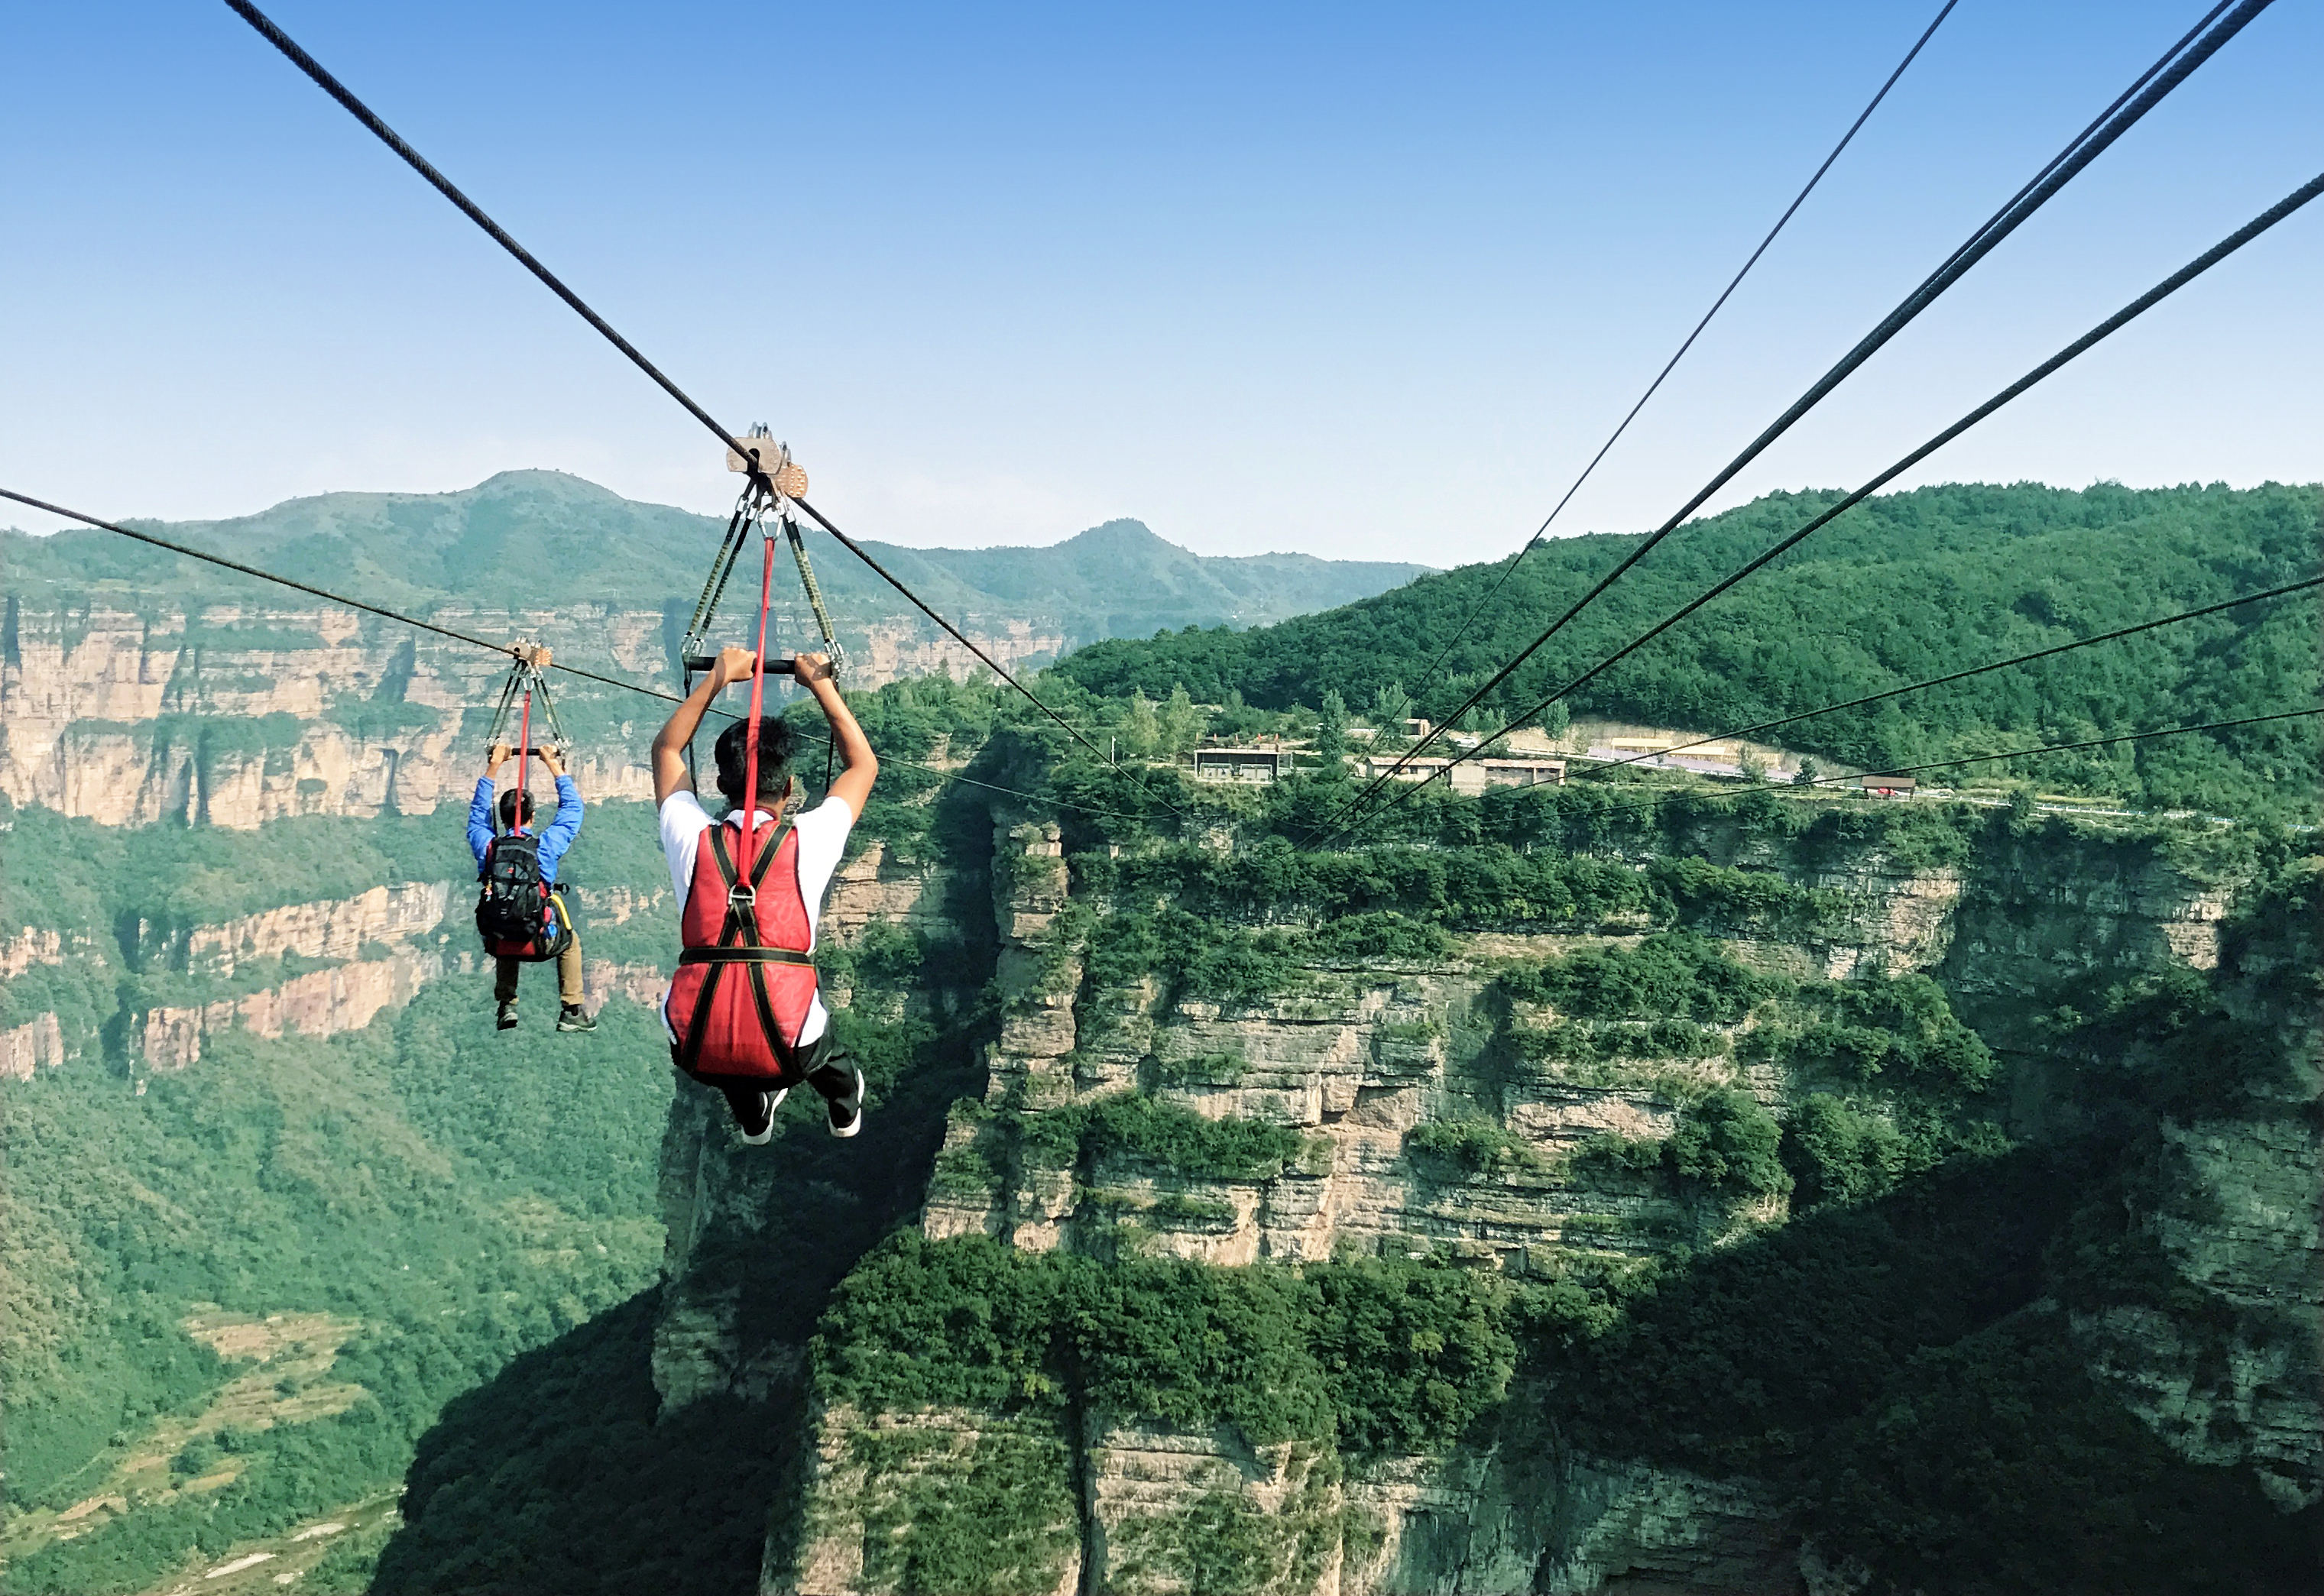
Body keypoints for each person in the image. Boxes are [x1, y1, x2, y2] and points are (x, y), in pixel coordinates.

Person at [650, 648, 877, 1144]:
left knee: (728, 1037)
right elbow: (862, 765)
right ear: (790, 786)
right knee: (825, 1053)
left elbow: (667, 751)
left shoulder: (691, 837)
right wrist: (820, 684)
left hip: (693, 1045)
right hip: (789, 1045)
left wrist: (715, 679)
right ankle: (844, 1108)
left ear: (718, 784)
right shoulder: (809, 840)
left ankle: (754, 1119)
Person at [467, 743, 595, 1034]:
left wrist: (495, 765)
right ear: (533, 816)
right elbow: (573, 810)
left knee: (503, 918)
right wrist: (553, 765)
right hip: (540, 941)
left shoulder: (487, 847)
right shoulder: (545, 849)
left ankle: (507, 1004)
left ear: (500, 816)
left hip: (499, 941)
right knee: (570, 941)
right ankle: (572, 1009)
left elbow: (477, 815)